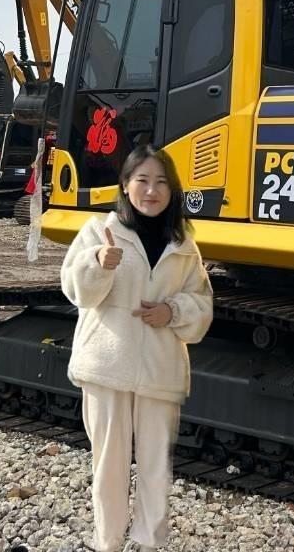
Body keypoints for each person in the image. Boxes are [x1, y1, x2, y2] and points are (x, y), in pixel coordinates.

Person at [61, 145, 213, 552]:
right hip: (107, 366)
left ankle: (149, 542)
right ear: (126, 186)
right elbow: (76, 291)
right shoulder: (99, 231)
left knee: (155, 466)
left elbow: (202, 305)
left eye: (161, 182)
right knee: (108, 463)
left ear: (173, 190)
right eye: (142, 180)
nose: (151, 190)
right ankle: (107, 543)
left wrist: (172, 311)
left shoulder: (184, 245)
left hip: (160, 370)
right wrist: (98, 262)